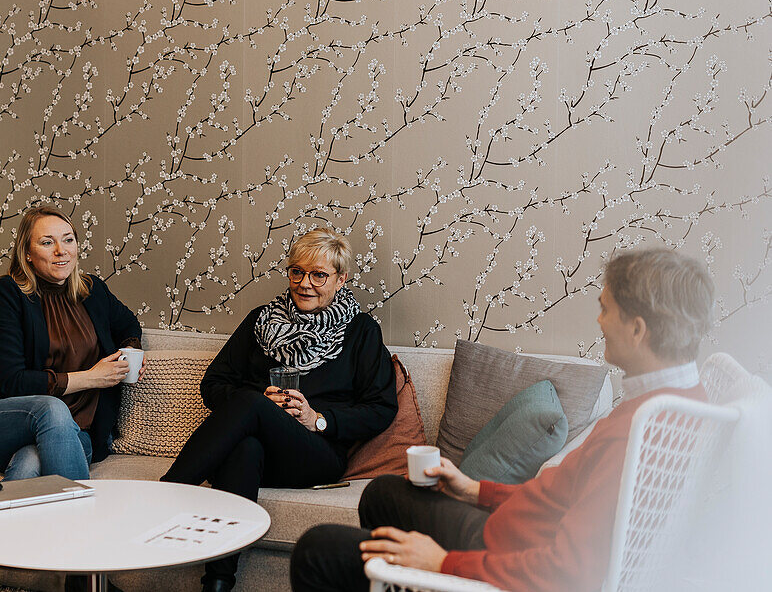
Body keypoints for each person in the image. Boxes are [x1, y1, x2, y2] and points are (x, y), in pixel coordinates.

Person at [290, 247, 714, 592]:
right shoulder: (678, 402)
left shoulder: (641, 434)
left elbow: (565, 574)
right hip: (514, 531)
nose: (599, 322)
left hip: (511, 559)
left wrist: (441, 563)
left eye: (606, 310)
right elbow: (563, 502)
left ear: (638, 330)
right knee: (383, 493)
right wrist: (475, 491)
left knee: (317, 549)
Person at [161, 227, 397, 592]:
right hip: (258, 454)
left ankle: (164, 496)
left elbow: (381, 408)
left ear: (341, 279)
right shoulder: (262, 320)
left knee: (250, 401)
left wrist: (317, 419)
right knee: (245, 445)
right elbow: (214, 383)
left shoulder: (362, 331)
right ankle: (218, 583)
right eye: (297, 272)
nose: (305, 283)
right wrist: (263, 403)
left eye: (319, 275)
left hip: (316, 456)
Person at [0, 205, 143, 592]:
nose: (61, 251)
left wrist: (126, 355)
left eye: (68, 240)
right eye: (47, 242)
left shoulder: (93, 291)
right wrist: (88, 378)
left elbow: (129, 324)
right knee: (51, 407)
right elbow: (11, 380)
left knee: (30, 463)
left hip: (74, 438)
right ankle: (85, 569)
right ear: (27, 253)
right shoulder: (6, 294)